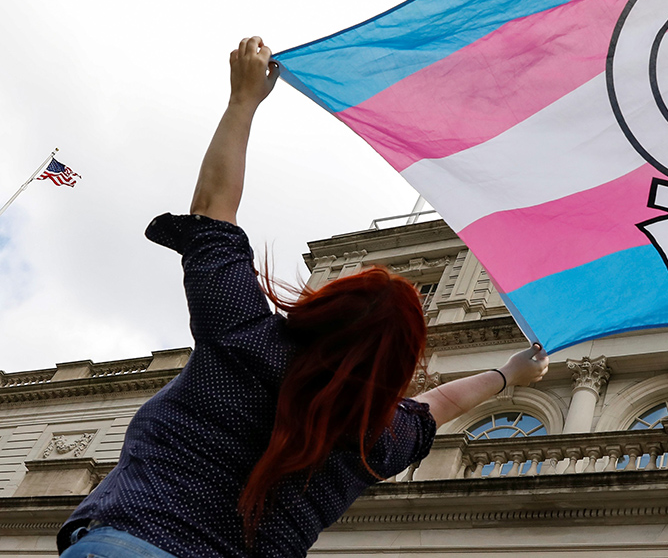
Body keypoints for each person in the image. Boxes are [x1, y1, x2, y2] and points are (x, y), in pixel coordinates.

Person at [58, 37, 549, 558]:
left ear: (322, 306)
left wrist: (242, 102)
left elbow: (212, 211)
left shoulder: (244, 337)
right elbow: (442, 402)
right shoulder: (377, 438)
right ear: (402, 358)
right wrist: (509, 376)